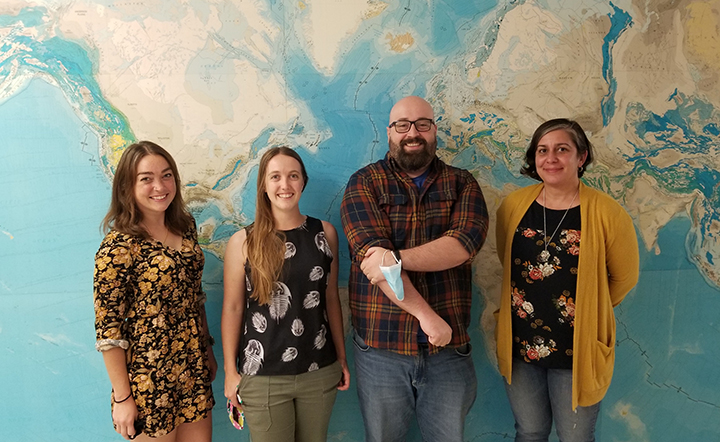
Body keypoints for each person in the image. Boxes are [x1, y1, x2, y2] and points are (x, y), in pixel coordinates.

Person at [340, 95, 489, 442]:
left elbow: (462, 245)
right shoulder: (364, 182)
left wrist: (395, 260)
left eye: (422, 124)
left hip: (447, 353)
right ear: (389, 133)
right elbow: (370, 256)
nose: (413, 133)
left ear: (434, 130)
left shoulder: (462, 183)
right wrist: (427, 316)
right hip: (381, 350)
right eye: (402, 125)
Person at [495, 118, 640, 442]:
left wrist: (589, 309)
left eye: (562, 149)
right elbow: (509, 263)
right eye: (542, 150)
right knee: (529, 432)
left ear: (582, 156)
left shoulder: (608, 213)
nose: (551, 158)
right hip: (522, 348)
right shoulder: (513, 208)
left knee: (575, 438)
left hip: (578, 350)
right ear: (534, 158)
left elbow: (625, 278)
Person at [221, 146, 350, 442]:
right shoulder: (243, 242)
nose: (285, 185)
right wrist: (231, 371)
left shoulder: (325, 233)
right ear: (264, 186)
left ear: (303, 182)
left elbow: (330, 299)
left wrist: (341, 358)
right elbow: (232, 308)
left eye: (293, 176)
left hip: (319, 370)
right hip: (263, 376)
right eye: (275, 177)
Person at [93, 141, 216, 441]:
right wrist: (123, 398)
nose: (159, 186)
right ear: (127, 187)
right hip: (149, 378)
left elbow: (194, 294)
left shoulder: (185, 226)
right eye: (146, 178)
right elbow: (108, 331)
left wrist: (208, 347)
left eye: (166, 175)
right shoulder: (118, 247)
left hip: (192, 368)